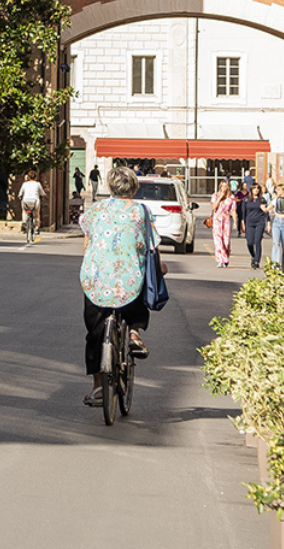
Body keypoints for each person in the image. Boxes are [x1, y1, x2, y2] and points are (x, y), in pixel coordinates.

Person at [79, 165, 155, 406]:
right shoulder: (141, 211)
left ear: (109, 186)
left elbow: (86, 245)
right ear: (134, 187)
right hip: (126, 279)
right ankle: (134, 332)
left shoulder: (96, 209)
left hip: (96, 277)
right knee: (136, 286)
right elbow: (151, 248)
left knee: (94, 334)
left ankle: (98, 387)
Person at [239, 184, 269, 269]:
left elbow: (266, 212)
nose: (256, 190)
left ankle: (256, 261)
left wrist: (268, 223)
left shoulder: (262, 200)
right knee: (249, 242)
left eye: (257, 188)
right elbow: (243, 213)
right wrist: (242, 223)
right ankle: (253, 255)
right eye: (254, 188)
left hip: (259, 222)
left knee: (257, 241)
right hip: (249, 222)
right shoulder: (246, 200)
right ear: (251, 190)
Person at [209, 186, 236, 268]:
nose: (224, 188)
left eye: (226, 186)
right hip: (217, 219)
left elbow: (233, 210)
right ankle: (221, 260)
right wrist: (220, 197)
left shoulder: (231, 197)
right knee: (218, 241)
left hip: (226, 220)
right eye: (222, 186)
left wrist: (235, 222)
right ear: (220, 187)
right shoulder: (215, 195)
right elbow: (213, 207)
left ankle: (225, 257)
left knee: (226, 242)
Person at [269, 179, 284, 269]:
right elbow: (267, 208)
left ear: (283, 191)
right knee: (276, 243)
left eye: (278, 190)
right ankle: (275, 264)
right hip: (277, 220)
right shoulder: (275, 200)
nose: (276, 191)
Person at [17, 171, 43, 244]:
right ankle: (36, 228)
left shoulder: (24, 184)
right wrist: (44, 195)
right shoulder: (38, 184)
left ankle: (24, 222)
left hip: (26, 201)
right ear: (35, 177)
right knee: (36, 216)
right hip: (35, 201)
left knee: (24, 212)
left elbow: (20, 194)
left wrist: (19, 196)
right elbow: (42, 193)